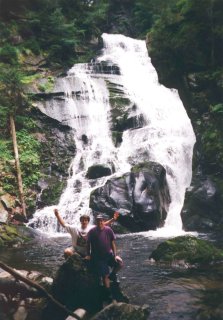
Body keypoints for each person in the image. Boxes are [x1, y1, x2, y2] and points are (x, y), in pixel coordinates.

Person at [86, 214, 123, 302]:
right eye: (98, 220)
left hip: (109, 255)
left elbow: (113, 243)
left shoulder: (108, 230)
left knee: (120, 263)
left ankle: (113, 274)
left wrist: (115, 255)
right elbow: (88, 244)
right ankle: (108, 293)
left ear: (103, 221)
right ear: (96, 222)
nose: (100, 222)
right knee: (104, 276)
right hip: (98, 257)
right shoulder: (92, 231)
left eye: (101, 220)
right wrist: (88, 254)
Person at [54, 209, 119, 258]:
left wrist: (113, 219)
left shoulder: (92, 228)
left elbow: (103, 224)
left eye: (86, 220)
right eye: (82, 220)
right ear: (80, 221)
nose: (84, 222)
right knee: (67, 252)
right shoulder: (74, 228)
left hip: (87, 251)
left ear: (88, 221)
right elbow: (64, 224)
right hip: (75, 249)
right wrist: (57, 215)